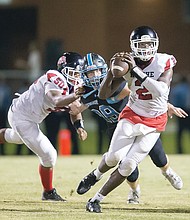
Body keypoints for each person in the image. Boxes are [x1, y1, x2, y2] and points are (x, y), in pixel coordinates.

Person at [82, 26, 183, 213]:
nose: (144, 48)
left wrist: (136, 70)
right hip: (133, 114)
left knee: (128, 164)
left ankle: (95, 200)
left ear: (155, 45)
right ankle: (95, 175)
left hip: (154, 121)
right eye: (141, 44)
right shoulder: (128, 61)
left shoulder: (164, 61)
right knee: (114, 158)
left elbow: (160, 90)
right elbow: (103, 94)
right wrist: (111, 73)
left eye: (148, 44)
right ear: (133, 46)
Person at [0, 52, 87, 201]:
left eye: (78, 73)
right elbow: (56, 100)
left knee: (16, 137)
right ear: (63, 70)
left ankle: (48, 193)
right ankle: (48, 192)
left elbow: (75, 109)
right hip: (22, 117)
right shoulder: (55, 78)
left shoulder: (74, 85)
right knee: (49, 155)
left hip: (27, 116)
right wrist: (75, 96)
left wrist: (79, 126)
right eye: (72, 73)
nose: (76, 77)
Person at [170, 76, 190, 153]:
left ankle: (179, 150)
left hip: (180, 110)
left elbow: (174, 100)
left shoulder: (177, 88)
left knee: (180, 132)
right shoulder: (186, 88)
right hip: (186, 109)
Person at [0, 78, 12, 155]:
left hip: (3, 113)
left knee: (3, 130)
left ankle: (2, 151)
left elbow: (8, 102)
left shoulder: (6, 89)